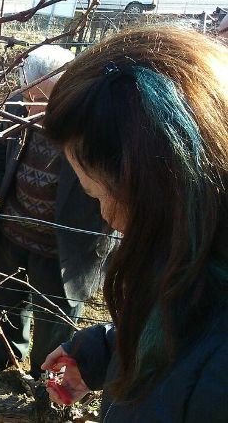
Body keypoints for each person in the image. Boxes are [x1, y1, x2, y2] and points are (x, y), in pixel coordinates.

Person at [40, 27, 228, 420]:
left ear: (159, 187)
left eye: (98, 195)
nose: (105, 217)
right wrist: (106, 353)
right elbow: (181, 331)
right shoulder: (191, 257)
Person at [0, 45, 110, 379]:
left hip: (62, 248)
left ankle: (43, 374)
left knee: (54, 317)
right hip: (13, 233)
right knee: (6, 299)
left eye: (42, 99)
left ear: (66, 90)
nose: (31, 107)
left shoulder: (92, 122)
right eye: (29, 94)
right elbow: (0, 148)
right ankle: (5, 352)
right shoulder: (17, 105)